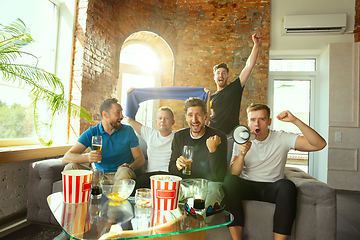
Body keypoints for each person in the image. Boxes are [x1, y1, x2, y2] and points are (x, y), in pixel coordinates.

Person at [222, 103, 327, 240]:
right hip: (246, 185)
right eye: (253, 120)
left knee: (287, 186)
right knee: (229, 181)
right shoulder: (241, 139)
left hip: (271, 187)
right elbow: (234, 173)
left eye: (262, 119)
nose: (257, 124)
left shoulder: (281, 138)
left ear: (269, 121)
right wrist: (242, 154)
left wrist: (295, 120)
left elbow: (319, 144)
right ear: (248, 123)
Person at [62, 98, 145, 182]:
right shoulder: (92, 132)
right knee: (70, 168)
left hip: (121, 174)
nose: (122, 116)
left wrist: (130, 167)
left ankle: (114, 192)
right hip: (99, 176)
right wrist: (88, 157)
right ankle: (79, 194)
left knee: (124, 171)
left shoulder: (128, 131)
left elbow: (140, 158)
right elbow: (66, 158)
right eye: (118, 113)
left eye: (121, 112)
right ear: (105, 114)